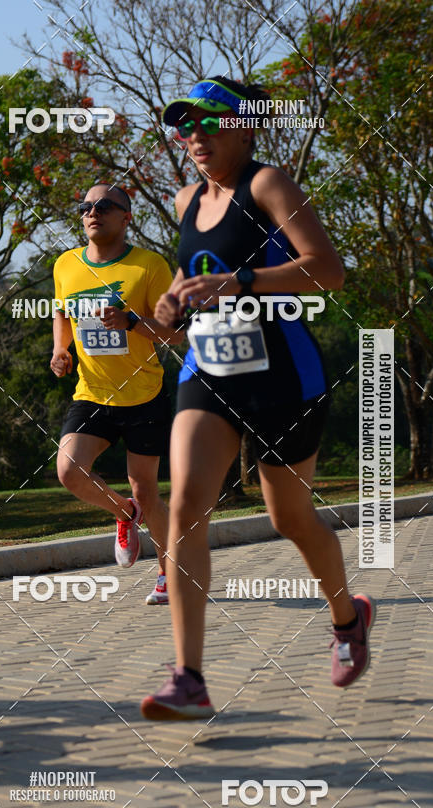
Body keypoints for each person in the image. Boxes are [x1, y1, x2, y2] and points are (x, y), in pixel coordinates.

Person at [140, 76, 376, 719]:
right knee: (186, 504)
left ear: (246, 126)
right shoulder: (187, 197)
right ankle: (189, 678)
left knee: (289, 519)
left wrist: (238, 280)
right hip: (208, 374)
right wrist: (169, 304)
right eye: (185, 126)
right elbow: (193, 291)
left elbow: (327, 270)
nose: (194, 137)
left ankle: (348, 618)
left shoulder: (268, 184)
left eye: (208, 123)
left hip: (283, 380)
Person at [51, 182, 183, 605]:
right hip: (92, 393)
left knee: (147, 490)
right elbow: (62, 312)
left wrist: (131, 322)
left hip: (144, 396)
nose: (93, 211)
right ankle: (123, 512)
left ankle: (168, 575)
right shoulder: (66, 265)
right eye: (86, 205)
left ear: (126, 218)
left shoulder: (148, 266)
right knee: (69, 471)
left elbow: (176, 333)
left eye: (105, 206)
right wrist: (60, 349)